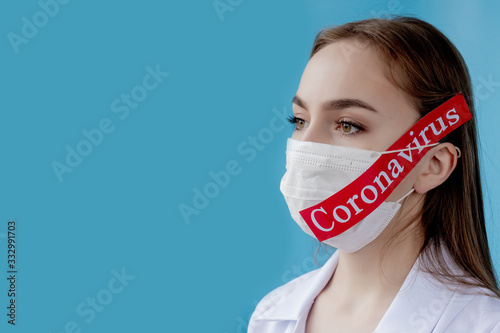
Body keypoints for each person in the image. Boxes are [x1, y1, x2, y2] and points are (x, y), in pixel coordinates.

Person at [248, 17, 500, 332]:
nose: (306, 147)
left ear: (432, 164)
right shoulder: (269, 316)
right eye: (299, 120)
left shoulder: (485, 325)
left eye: (348, 124)